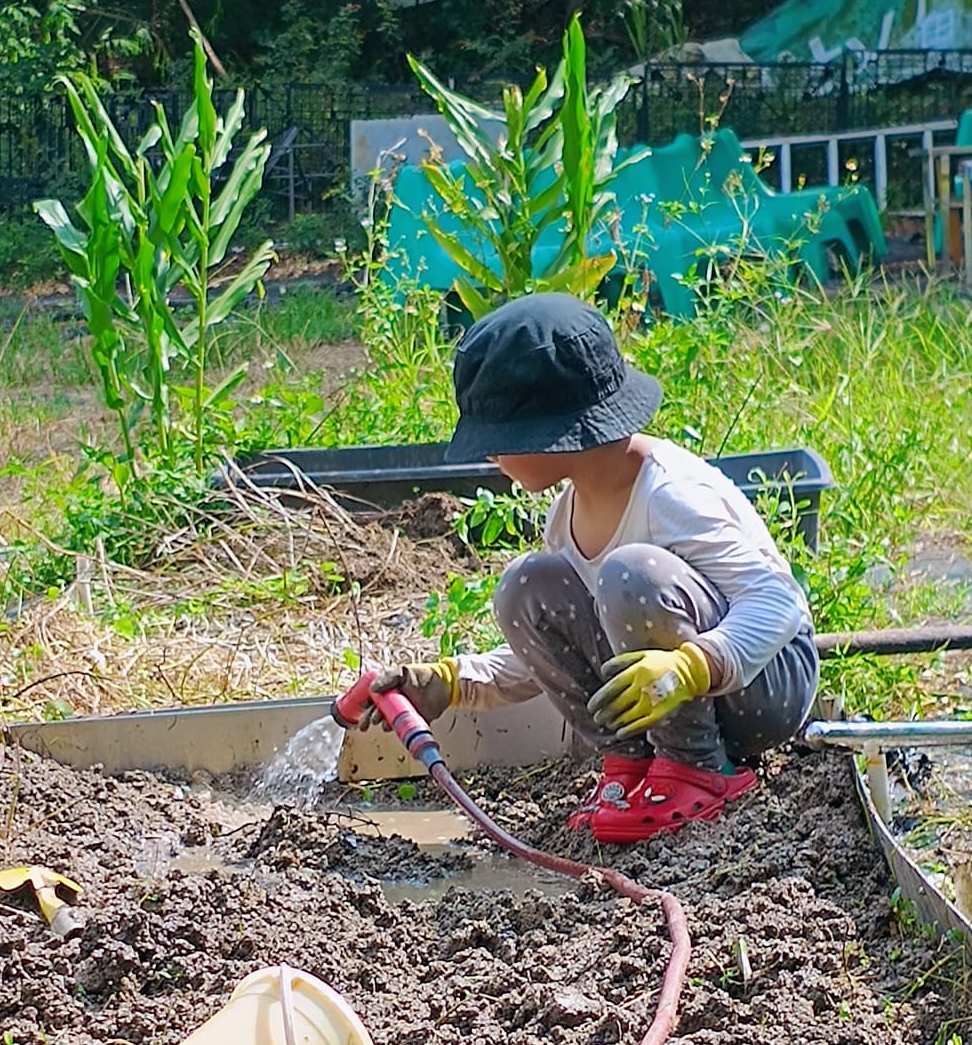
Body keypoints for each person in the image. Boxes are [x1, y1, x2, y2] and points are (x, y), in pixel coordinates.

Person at [345, 292, 818, 842]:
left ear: (551, 432)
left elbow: (781, 602)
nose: (492, 459)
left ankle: (698, 770)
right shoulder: (569, 513)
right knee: (526, 586)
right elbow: (567, 648)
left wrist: (692, 667)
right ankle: (635, 765)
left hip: (763, 690)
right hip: (672, 694)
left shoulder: (671, 494)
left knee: (631, 575)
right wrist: (453, 683)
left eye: (500, 442)